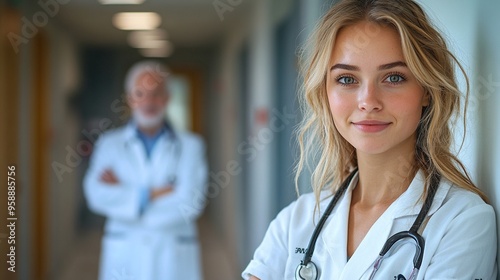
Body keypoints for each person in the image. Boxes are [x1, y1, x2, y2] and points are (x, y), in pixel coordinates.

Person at [242, 0, 497, 279]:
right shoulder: (296, 220)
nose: (368, 102)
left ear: (427, 90)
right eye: (347, 79)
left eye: (394, 77)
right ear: (325, 92)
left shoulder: (463, 222)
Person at [84, 61, 208, 280]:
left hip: (173, 253)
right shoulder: (109, 144)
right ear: (130, 98)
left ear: (168, 97)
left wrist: (124, 195)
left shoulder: (191, 146)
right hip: (125, 251)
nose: (149, 101)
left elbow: (191, 202)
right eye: (140, 93)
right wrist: (153, 193)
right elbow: (96, 195)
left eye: (157, 93)